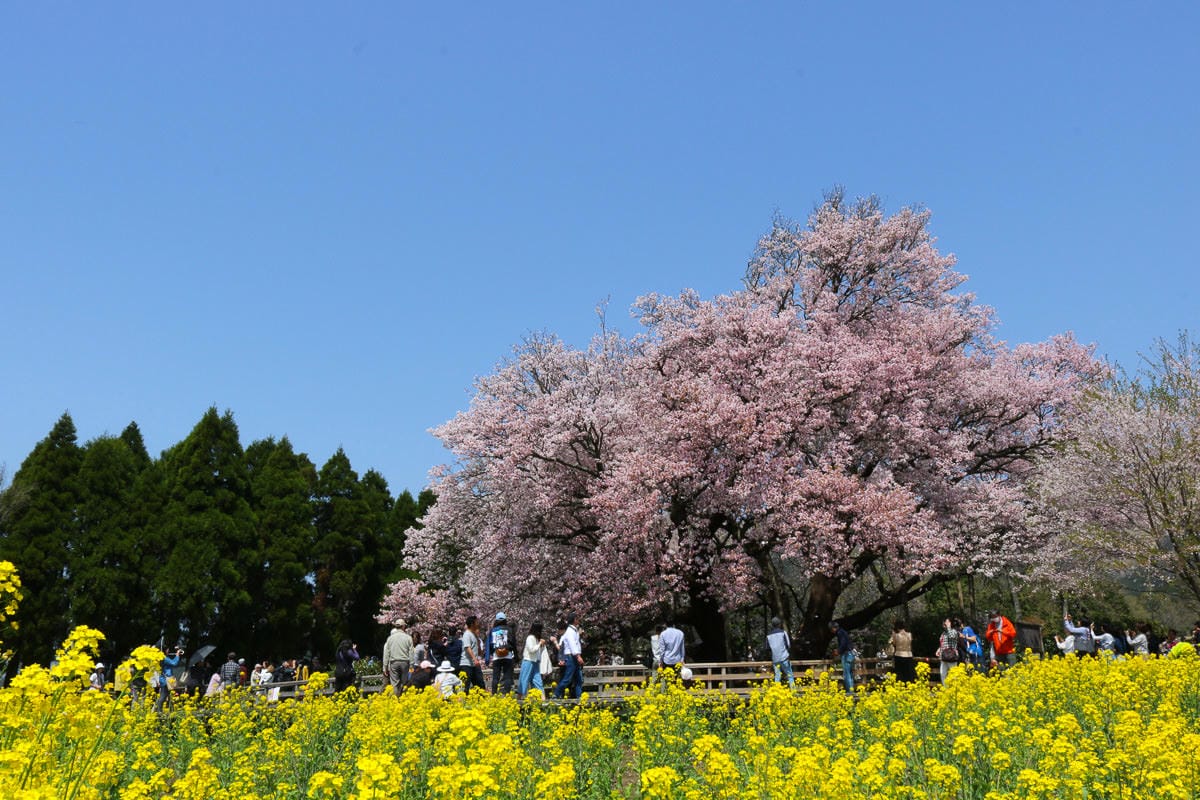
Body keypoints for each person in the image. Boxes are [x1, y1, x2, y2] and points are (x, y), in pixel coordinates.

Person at [555, 613, 584, 699]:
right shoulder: (570, 631)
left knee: (579, 679)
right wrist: (578, 656)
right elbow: (572, 645)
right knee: (567, 678)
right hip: (571, 657)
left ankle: (580, 698)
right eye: (577, 618)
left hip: (573, 656)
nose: (579, 619)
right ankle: (556, 694)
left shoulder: (574, 630)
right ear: (575, 619)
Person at [486, 612, 516, 694]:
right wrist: (516, 657)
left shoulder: (493, 631)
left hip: (496, 656)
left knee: (495, 677)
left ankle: (494, 694)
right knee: (507, 677)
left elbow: (489, 645)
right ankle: (507, 695)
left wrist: (487, 659)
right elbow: (514, 643)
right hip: (508, 656)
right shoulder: (509, 629)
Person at [383, 619, 414, 696]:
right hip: (405, 663)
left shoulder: (390, 638)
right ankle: (403, 700)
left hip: (394, 663)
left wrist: (385, 667)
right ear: (403, 626)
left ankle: (395, 701)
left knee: (395, 684)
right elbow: (411, 653)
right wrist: (412, 665)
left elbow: (386, 654)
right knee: (404, 683)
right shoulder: (408, 638)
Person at [459, 615, 488, 693]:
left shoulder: (474, 635)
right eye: (476, 622)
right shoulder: (467, 634)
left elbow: (477, 650)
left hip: (474, 664)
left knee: (480, 684)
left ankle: (481, 700)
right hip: (466, 664)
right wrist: (475, 659)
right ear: (472, 624)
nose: (478, 624)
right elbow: (467, 647)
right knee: (466, 685)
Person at [518, 621, 547, 698]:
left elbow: (538, 651)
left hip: (535, 662)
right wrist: (539, 644)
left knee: (538, 681)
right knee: (524, 680)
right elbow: (531, 650)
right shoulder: (530, 638)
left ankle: (543, 700)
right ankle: (520, 698)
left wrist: (542, 645)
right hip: (528, 661)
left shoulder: (537, 639)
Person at [765, 617, 795, 688]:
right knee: (790, 675)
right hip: (784, 658)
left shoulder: (768, 636)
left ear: (772, 625)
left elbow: (767, 648)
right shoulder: (783, 633)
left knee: (777, 677)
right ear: (779, 624)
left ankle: (776, 694)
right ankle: (793, 692)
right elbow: (788, 645)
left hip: (775, 659)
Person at [153, 646, 184, 713]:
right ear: (164, 651)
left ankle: (171, 710)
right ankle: (159, 711)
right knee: (163, 696)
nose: (168, 651)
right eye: (167, 650)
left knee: (169, 695)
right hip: (166, 680)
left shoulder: (161, 658)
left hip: (165, 679)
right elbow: (174, 663)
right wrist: (177, 655)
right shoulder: (164, 658)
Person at [830, 620, 855, 694]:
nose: (832, 632)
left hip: (846, 654)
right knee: (850, 673)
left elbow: (843, 643)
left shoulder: (840, 633)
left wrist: (838, 651)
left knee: (846, 673)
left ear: (833, 628)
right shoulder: (843, 632)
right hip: (851, 654)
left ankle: (849, 692)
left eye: (831, 630)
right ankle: (851, 690)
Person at [936, 618, 961, 684]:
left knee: (953, 675)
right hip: (943, 656)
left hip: (951, 656)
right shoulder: (944, 633)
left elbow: (952, 636)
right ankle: (946, 689)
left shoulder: (954, 631)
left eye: (946, 622)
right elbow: (943, 643)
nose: (945, 623)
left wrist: (949, 627)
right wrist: (939, 649)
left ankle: (955, 689)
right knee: (942, 673)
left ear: (951, 623)